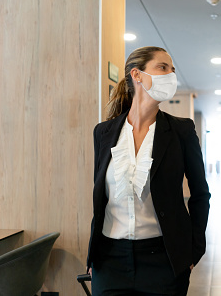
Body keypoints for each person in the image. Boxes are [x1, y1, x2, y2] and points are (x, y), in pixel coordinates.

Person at [87, 46, 210, 295]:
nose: (171, 75)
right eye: (163, 67)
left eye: (172, 70)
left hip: (163, 261)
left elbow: (200, 195)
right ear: (137, 75)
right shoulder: (103, 133)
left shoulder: (181, 131)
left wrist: (193, 251)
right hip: (110, 261)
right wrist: (93, 256)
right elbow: (101, 198)